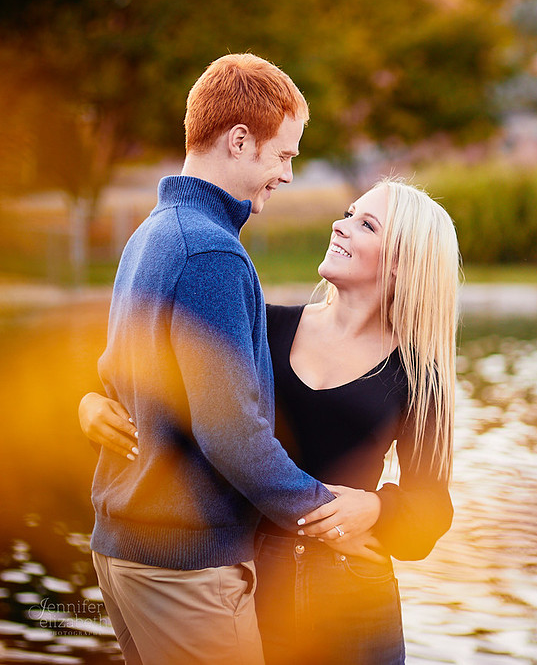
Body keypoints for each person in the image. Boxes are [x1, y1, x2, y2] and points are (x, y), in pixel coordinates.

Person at [81, 178, 459, 665]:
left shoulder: (420, 377)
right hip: (251, 583)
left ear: (404, 264)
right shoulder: (267, 324)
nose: (338, 226)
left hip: (356, 602)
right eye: (347, 213)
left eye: (364, 224)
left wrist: (379, 508)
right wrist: (89, 402)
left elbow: (432, 508)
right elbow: (158, 380)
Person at [84, 53, 339, 665]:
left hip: (128, 552)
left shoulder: (154, 232)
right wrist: (324, 513)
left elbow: (115, 377)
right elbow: (231, 432)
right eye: (283, 155)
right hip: (185, 568)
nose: (287, 175)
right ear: (240, 140)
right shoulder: (210, 253)